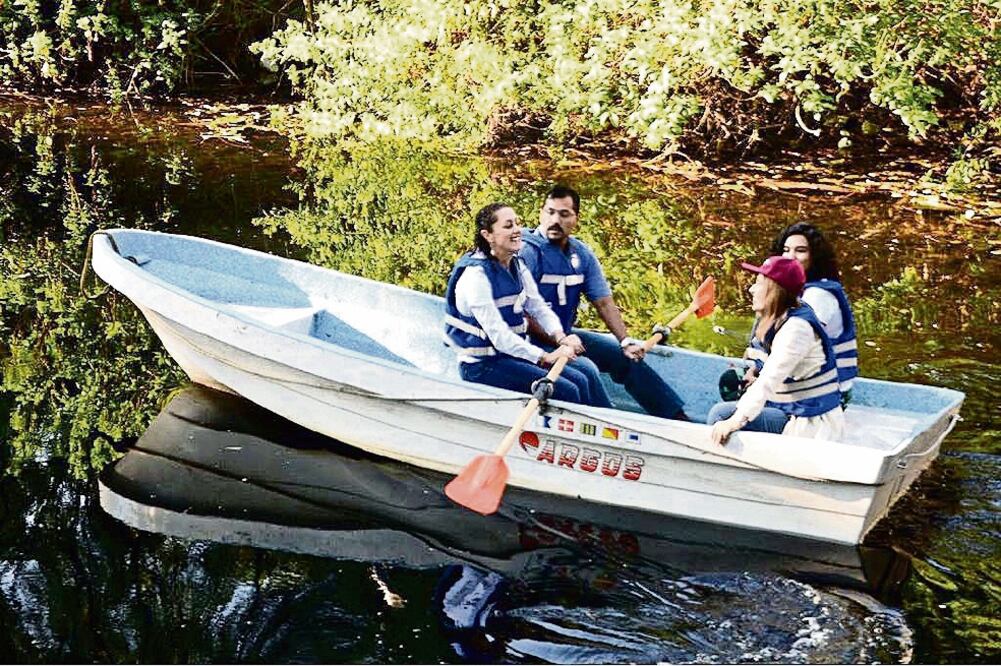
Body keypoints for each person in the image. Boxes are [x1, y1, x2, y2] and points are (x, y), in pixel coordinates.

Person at [519, 185, 687, 420]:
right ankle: (609, 422)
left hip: (567, 336)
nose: (555, 220)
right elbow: (521, 315)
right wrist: (561, 339)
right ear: (541, 213)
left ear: (576, 218)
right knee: (586, 369)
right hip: (533, 341)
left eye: (564, 214)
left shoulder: (582, 254)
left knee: (624, 357)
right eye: (550, 212)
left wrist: (626, 341)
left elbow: (604, 303)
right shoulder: (526, 252)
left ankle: (677, 419)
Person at [444, 202, 610, 406]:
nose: (517, 230)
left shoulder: (516, 264)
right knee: (568, 390)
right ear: (488, 235)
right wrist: (545, 358)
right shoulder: (476, 277)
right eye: (508, 226)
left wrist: (560, 337)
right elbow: (499, 336)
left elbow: (537, 307)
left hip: (510, 357)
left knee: (581, 379)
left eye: (517, 223)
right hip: (482, 367)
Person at [708, 256, 845, 445]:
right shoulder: (781, 315)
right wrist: (754, 371)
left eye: (758, 284)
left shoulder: (797, 328)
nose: (751, 289)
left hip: (807, 421)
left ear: (774, 291)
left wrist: (732, 422)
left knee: (720, 414)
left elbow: (768, 381)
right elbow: (769, 362)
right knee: (731, 382)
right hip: (788, 405)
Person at [772, 222, 858, 398]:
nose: (791, 257)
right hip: (805, 386)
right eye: (786, 250)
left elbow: (795, 345)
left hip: (824, 395)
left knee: (721, 414)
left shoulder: (818, 296)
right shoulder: (794, 291)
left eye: (800, 250)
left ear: (814, 257)